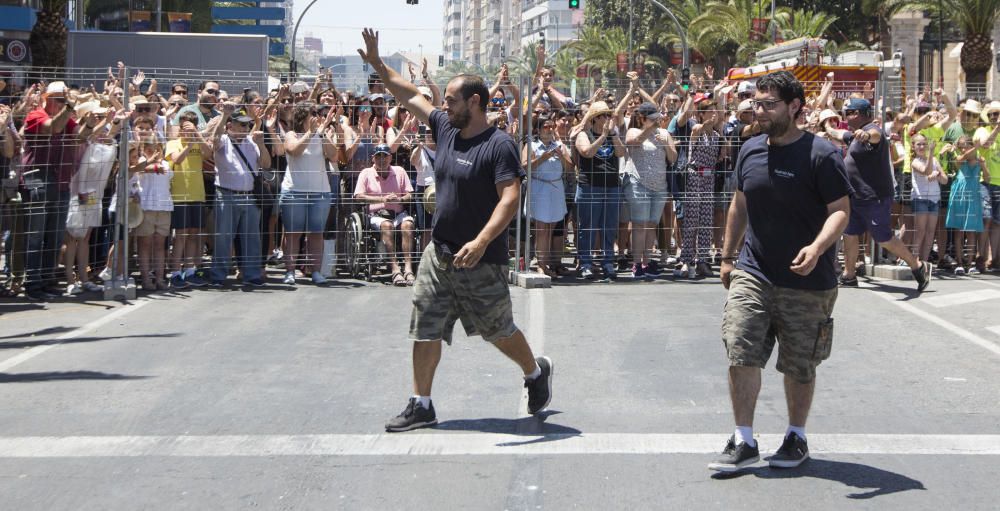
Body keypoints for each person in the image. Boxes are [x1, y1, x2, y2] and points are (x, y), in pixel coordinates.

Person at [358, 28, 552, 432]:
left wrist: (482, 241)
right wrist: (377, 64)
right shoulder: (445, 127)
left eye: (450, 100)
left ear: (474, 102)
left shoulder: (498, 145)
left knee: (497, 331)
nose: (443, 106)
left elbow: (510, 198)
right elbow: (409, 95)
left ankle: (534, 372)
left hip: (482, 259)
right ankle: (421, 403)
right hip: (440, 252)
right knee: (424, 322)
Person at [711, 71, 852, 473]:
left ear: (794, 107)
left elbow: (841, 210)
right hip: (754, 271)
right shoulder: (750, 149)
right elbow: (739, 204)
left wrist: (818, 246)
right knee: (740, 347)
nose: (760, 111)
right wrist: (727, 257)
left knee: (799, 364)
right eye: (757, 103)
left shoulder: (821, 154)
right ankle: (743, 438)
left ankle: (796, 435)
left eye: (769, 104)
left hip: (808, 280)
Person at [825, 98, 930, 290]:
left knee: (883, 238)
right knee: (850, 233)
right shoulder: (854, 135)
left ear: (859, 114)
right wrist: (826, 125)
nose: (845, 116)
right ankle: (849, 275)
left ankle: (917, 266)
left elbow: (874, 135)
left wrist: (865, 135)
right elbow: (838, 133)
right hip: (855, 196)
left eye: (849, 113)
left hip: (874, 197)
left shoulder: (873, 130)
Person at [21, 81, 82, 300]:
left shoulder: (65, 116)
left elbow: (80, 134)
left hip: (60, 181)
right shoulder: (35, 115)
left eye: (64, 101)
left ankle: (47, 280)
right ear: (47, 99)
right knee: (35, 237)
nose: (62, 104)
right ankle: (33, 284)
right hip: (38, 178)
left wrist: (97, 123)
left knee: (55, 236)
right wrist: (69, 108)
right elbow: (53, 127)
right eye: (59, 100)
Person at [208, 104, 272, 286]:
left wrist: (261, 144)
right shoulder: (224, 141)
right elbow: (214, 140)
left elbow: (266, 163)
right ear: (230, 126)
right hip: (226, 194)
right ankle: (218, 276)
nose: (246, 128)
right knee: (223, 237)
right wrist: (224, 115)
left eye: (247, 125)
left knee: (252, 237)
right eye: (242, 125)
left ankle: (251, 275)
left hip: (249, 195)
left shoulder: (252, 142)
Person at [281, 102, 342, 285]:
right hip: (294, 192)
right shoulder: (292, 134)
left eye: (318, 113)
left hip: (320, 192)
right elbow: (294, 150)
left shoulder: (322, 134)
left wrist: (322, 134)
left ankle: (316, 271)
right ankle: (290, 271)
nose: (317, 116)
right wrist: (311, 133)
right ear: (302, 117)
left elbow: (334, 156)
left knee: (316, 233)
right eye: (312, 113)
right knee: (293, 233)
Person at [623, 102, 677, 278]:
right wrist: (649, 130)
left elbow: (673, 157)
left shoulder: (664, 133)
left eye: (657, 119)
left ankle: (647, 262)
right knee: (639, 224)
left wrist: (666, 144)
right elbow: (633, 142)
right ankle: (636, 264)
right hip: (638, 183)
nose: (656, 122)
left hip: (660, 187)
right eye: (652, 119)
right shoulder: (634, 131)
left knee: (652, 224)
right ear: (642, 118)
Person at [354, 144, 416, 286]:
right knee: (387, 225)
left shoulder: (399, 171)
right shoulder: (366, 173)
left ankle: (408, 268)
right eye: (378, 156)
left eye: (385, 156)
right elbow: (358, 196)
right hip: (377, 215)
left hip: (398, 213)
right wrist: (382, 199)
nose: (382, 159)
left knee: (408, 225)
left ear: (391, 158)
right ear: (373, 158)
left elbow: (409, 194)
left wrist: (399, 199)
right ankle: (395, 269)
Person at [522, 112, 571, 277]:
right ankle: (541, 264)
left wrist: (561, 156)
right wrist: (543, 158)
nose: (550, 129)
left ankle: (546, 262)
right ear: (538, 129)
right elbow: (524, 167)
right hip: (540, 188)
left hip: (556, 188)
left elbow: (571, 167)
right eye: (546, 126)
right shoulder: (531, 146)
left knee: (551, 228)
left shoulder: (559, 145)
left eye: (552, 126)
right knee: (541, 229)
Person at [943, 135, 988, 274]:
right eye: (960, 146)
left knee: (971, 231)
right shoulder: (959, 159)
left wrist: (984, 166)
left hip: (973, 196)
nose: (963, 149)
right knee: (959, 230)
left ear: (970, 145)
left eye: (965, 146)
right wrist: (977, 147)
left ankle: (970, 264)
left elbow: (987, 178)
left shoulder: (979, 160)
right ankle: (960, 263)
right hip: (959, 196)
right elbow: (961, 158)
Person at [909, 135, 948, 264]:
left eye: (924, 144)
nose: (921, 147)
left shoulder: (935, 160)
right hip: (920, 199)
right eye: (918, 144)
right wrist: (931, 153)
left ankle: (925, 261)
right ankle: (914, 260)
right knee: (920, 231)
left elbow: (944, 179)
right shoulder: (915, 161)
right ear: (913, 146)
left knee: (931, 232)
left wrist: (937, 175)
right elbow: (926, 171)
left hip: (934, 199)